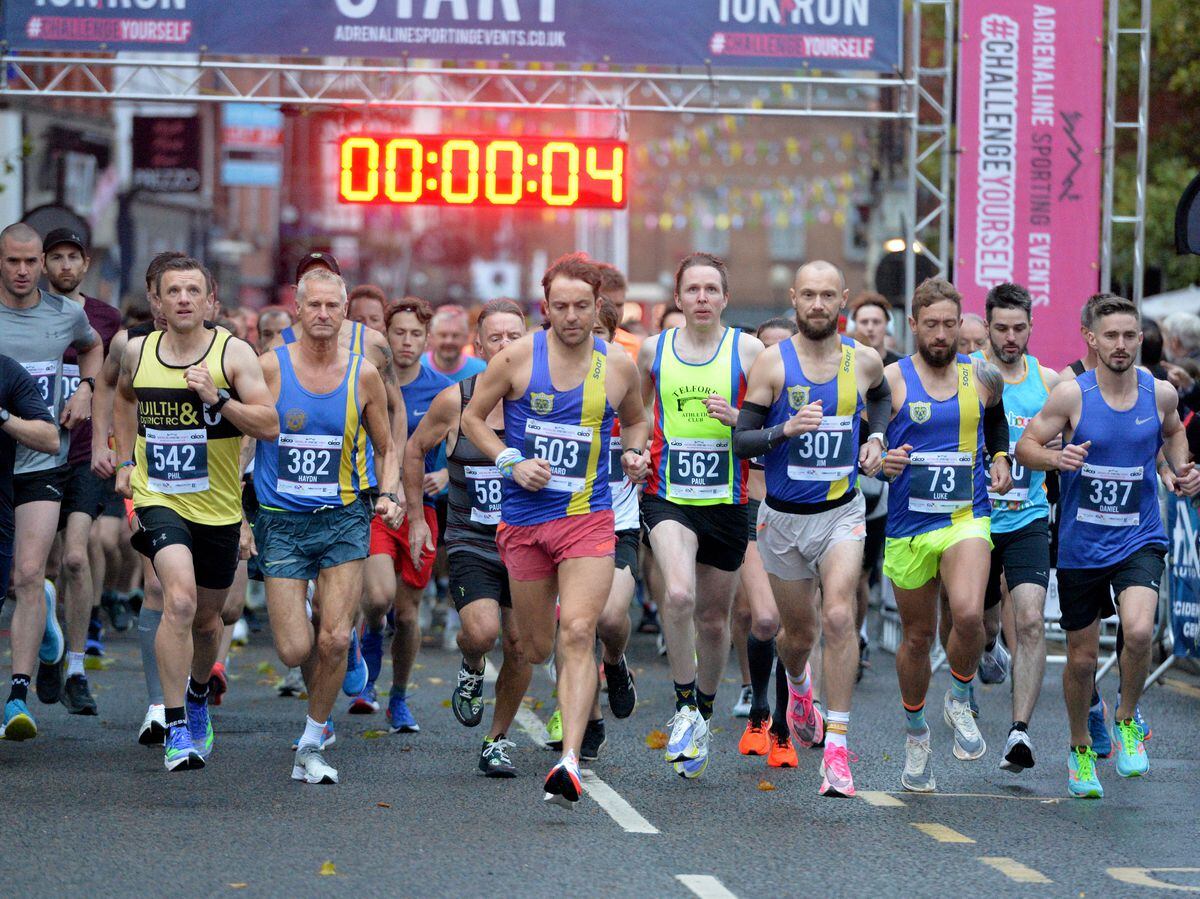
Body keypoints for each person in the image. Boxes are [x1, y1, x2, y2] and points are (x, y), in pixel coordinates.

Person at [461, 252, 648, 808]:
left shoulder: (616, 365)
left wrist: (634, 453)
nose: (570, 316)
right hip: (523, 521)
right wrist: (509, 461)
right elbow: (473, 417)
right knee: (537, 645)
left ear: (598, 309)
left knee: (579, 631)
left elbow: (637, 418)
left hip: (587, 519)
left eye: (581, 307)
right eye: (560, 306)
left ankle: (567, 759)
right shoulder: (518, 357)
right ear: (545, 308)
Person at [1017, 294, 1198, 798]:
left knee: (1139, 631)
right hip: (1082, 542)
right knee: (1080, 659)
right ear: (1091, 340)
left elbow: (1172, 434)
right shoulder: (1072, 396)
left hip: (1140, 535)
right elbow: (1025, 447)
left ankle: (1125, 718)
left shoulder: (1159, 393)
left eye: (1129, 335)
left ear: (1141, 338)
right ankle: (1079, 748)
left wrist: (1181, 470)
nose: (1121, 345)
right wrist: (1056, 461)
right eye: (1111, 336)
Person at [113, 255, 278, 771]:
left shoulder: (234, 354)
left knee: (209, 620)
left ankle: (200, 690)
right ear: (157, 303)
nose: (183, 298)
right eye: (173, 291)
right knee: (177, 600)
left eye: (193, 290)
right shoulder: (136, 350)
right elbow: (120, 395)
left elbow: (268, 423)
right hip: (158, 496)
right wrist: (123, 457)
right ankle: (176, 724)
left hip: (219, 508)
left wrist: (218, 397)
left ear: (210, 301)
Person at [734, 261, 888, 796]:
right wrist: (784, 429)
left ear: (841, 299)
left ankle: (838, 752)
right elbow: (743, 441)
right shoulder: (773, 365)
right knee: (796, 635)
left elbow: (881, 400)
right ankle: (799, 686)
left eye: (828, 295)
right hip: (781, 520)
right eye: (809, 296)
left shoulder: (863, 360)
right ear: (794, 298)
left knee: (840, 615)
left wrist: (877, 440)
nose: (819, 305)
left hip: (841, 512)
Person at [253, 267, 402, 784]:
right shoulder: (269, 367)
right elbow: (245, 439)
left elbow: (386, 445)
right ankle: (323, 666)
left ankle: (313, 739)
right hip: (281, 521)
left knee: (334, 639)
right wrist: (240, 513)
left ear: (344, 313)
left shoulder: (362, 373)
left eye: (331, 307)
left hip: (343, 518)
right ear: (297, 309)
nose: (322, 315)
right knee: (296, 648)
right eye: (313, 305)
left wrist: (388, 493)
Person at [880, 277, 1011, 792]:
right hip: (909, 526)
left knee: (969, 615)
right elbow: (864, 444)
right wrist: (877, 459)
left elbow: (995, 422)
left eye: (950, 324)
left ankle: (958, 697)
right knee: (915, 637)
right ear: (912, 325)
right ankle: (916, 732)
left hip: (966, 517)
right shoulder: (889, 380)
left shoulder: (981, 374)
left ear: (962, 326)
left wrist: (998, 456)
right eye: (930, 324)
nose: (940, 334)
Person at [637, 252, 765, 779]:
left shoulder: (749, 350)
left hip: (728, 500)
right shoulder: (653, 350)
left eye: (712, 289)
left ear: (726, 298)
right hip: (668, 494)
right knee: (680, 594)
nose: (702, 298)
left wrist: (742, 418)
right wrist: (634, 449)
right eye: (693, 290)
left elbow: (772, 417)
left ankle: (704, 712)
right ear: (678, 298)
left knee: (714, 619)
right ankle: (685, 704)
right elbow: (633, 413)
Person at [402, 299, 535, 776]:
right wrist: (418, 518)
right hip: (472, 539)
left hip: (529, 543)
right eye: (495, 338)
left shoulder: (546, 402)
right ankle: (472, 663)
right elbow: (415, 451)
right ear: (479, 346)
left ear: (529, 340)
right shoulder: (455, 400)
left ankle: (496, 740)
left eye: (513, 336)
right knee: (482, 631)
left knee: (521, 646)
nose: (505, 346)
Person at [0, 222, 102, 740]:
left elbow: (93, 347)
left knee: (28, 572)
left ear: (42, 263)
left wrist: (84, 387)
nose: (22, 271)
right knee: (16, 582)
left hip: (42, 463)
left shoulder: (66, 314)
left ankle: (17, 697)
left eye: (29, 262)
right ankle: (48, 634)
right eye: (12, 261)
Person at [972, 283, 1059, 773]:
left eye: (1018, 328)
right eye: (1001, 328)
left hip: (1027, 517)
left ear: (1031, 327)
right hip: (977, 522)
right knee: (980, 622)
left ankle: (1018, 734)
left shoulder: (1046, 381)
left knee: (1029, 619)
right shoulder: (971, 377)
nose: (1010, 337)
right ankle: (987, 646)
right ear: (986, 326)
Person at [40, 228, 123, 715]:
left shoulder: (105, 320)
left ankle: (75, 668)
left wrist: (113, 441)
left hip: (87, 455)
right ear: (44, 265)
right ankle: (49, 645)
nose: (66, 266)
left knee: (75, 558)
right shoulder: (27, 317)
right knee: (42, 570)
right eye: (58, 258)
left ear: (86, 264)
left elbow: (116, 388)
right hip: (37, 454)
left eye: (74, 257)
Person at [364, 298, 452, 731]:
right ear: (385, 333)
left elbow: (457, 447)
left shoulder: (440, 388)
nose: (406, 341)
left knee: (407, 612)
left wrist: (444, 477)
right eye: (398, 332)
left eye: (416, 334)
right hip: (376, 505)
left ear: (427, 340)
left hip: (421, 508)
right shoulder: (365, 378)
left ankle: (398, 696)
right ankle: (368, 639)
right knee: (378, 598)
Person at [730, 318, 792, 773]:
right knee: (765, 617)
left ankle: (785, 727)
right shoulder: (742, 400)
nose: (773, 357)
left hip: (801, 514)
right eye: (765, 348)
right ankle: (758, 705)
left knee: (796, 628)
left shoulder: (811, 399)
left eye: (783, 349)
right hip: (751, 511)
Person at [0, 355, 62, 738]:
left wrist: (2, 417)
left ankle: (18, 695)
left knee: (28, 575)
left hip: (28, 483)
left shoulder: (6, 371)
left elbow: (51, 438)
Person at [425, 304, 486, 381]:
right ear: (431, 336)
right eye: (443, 335)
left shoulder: (481, 372)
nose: (449, 341)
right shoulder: (417, 368)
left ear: (466, 338)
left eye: (455, 335)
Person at [597, 262, 642, 361]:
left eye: (619, 305)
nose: (614, 312)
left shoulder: (634, 345)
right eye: (608, 304)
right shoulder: (580, 341)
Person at [851, 292, 901, 365]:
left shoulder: (902, 366)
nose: (870, 328)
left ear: (887, 325)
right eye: (864, 322)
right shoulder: (844, 365)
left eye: (876, 322)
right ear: (854, 326)